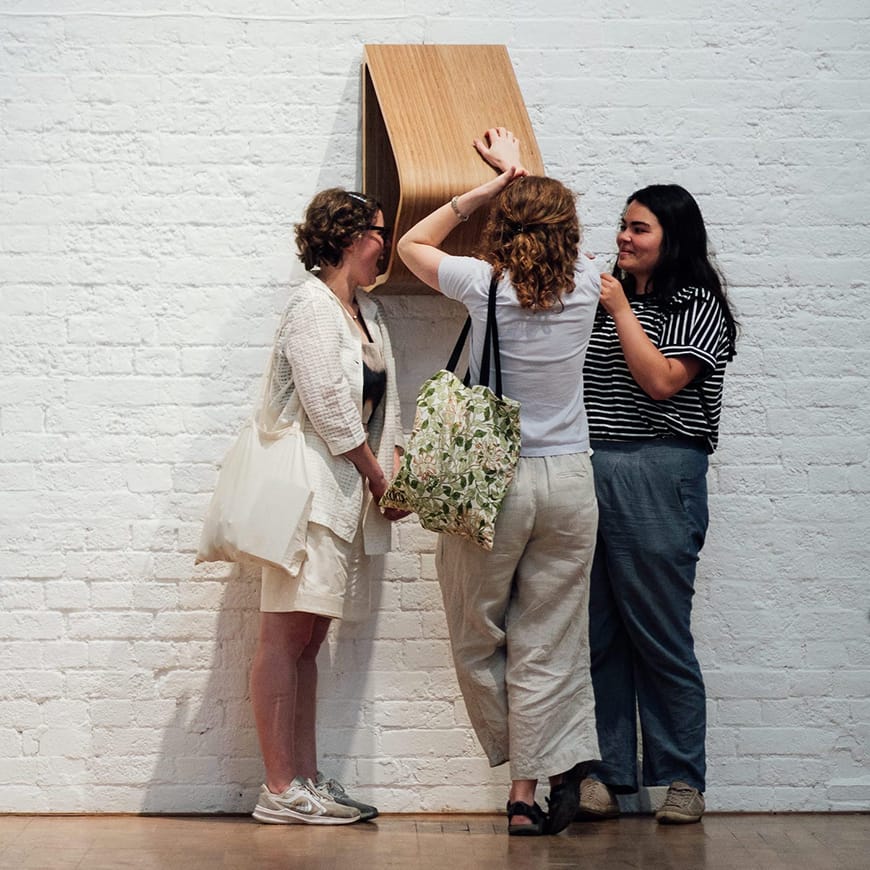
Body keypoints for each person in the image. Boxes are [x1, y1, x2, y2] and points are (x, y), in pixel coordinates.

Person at [475, 128, 738, 825]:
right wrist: (512, 172)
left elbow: (659, 383)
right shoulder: (593, 290)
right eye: (620, 225)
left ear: (672, 237)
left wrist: (619, 309)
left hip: (660, 470)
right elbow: (546, 227)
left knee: (659, 633)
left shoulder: (695, 307)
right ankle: (609, 778)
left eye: (639, 228)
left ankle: (682, 779)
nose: (623, 237)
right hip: (589, 471)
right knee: (595, 635)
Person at [396, 160, 601, 836]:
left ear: (503, 227)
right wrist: (528, 181)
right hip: (571, 480)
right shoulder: (592, 288)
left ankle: (521, 766)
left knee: (476, 634)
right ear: (568, 231)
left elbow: (410, 245)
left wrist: (484, 188)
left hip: (494, 473)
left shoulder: (483, 283)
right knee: (550, 641)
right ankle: (528, 788)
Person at [248, 188, 407, 825]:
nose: (384, 246)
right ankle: (278, 787)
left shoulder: (366, 312)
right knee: (282, 638)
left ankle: (305, 780)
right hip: (307, 497)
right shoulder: (311, 308)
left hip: (342, 501)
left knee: (308, 642)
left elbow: (384, 408)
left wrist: (394, 475)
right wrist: (377, 478)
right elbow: (329, 409)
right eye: (377, 233)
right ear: (346, 237)